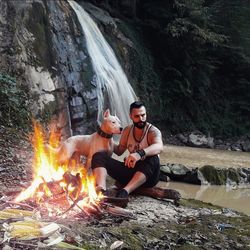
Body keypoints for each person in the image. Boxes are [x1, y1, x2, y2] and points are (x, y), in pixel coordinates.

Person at [91, 101, 163, 198]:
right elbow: (119, 151)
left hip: (149, 177)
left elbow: (159, 146)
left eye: (143, 115)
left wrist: (139, 154)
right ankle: (102, 190)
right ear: (131, 116)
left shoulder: (153, 131)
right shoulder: (127, 130)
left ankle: (125, 191)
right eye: (137, 116)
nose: (141, 119)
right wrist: (107, 136)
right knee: (98, 155)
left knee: (154, 158)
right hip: (130, 172)